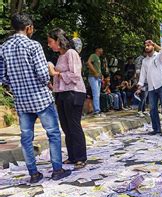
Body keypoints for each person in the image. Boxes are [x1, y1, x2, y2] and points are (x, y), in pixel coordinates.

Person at [0, 14, 71, 182]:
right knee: (53, 134)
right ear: (28, 28)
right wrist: (47, 82)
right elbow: (41, 73)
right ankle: (57, 170)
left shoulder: (3, 48)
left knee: (26, 138)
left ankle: (33, 173)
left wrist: (17, 83)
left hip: (22, 101)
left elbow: (2, 75)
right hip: (40, 98)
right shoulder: (34, 45)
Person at [47, 28, 87, 169]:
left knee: (73, 124)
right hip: (61, 93)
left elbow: (75, 75)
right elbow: (59, 77)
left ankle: (81, 157)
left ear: (58, 41)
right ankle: (72, 156)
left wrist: (56, 73)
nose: (49, 45)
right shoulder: (60, 56)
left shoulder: (71, 53)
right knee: (65, 125)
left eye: (51, 41)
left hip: (74, 92)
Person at [136, 40, 162, 135]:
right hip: (151, 87)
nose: (147, 47)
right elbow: (143, 74)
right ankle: (156, 129)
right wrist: (140, 86)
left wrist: (154, 44)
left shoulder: (158, 56)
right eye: (145, 45)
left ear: (153, 47)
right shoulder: (144, 61)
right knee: (153, 109)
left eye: (149, 45)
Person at [87, 47, 104, 117]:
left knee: (98, 95)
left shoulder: (98, 58)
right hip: (93, 77)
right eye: (101, 49)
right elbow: (88, 62)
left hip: (98, 78)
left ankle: (98, 110)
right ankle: (97, 111)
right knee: (96, 94)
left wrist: (101, 75)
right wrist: (95, 73)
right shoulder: (93, 55)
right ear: (97, 49)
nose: (102, 50)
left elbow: (98, 68)